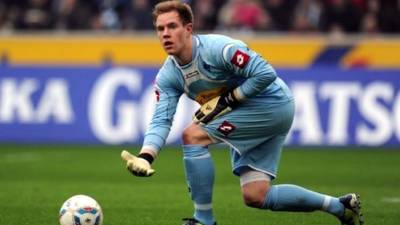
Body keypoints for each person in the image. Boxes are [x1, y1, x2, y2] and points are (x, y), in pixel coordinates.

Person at [120, 1, 364, 225]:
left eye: (172, 26)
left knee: (192, 136)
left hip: (271, 103)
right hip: (254, 112)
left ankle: (203, 219)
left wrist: (229, 99)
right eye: (160, 29)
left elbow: (266, 73)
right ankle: (340, 207)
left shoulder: (220, 49)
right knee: (256, 195)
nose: (165, 34)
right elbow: (162, 118)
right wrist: (146, 156)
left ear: (188, 28)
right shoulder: (168, 76)